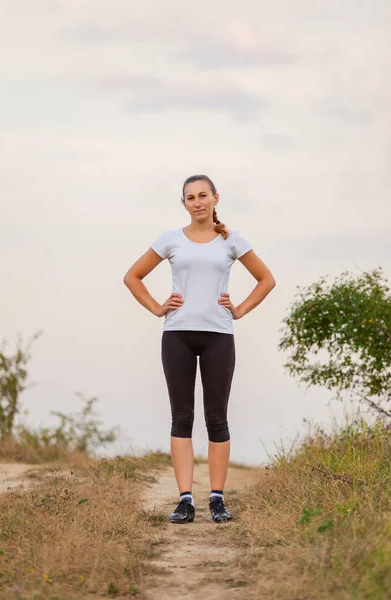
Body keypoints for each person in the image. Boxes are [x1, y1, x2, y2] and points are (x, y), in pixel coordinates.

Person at [123, 174, 276, 524]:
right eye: (190, 197)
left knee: (217, 418)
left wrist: (239, 310)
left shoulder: (232, 241)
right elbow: (133, 276)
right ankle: (186, 500)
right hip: (177, 334)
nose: (197, 202)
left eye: (203, 195)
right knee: (182, 417)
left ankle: (218, 500)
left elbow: (266, 279)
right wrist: (156, 307)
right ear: (184, 204)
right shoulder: (170, 239)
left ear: (215, 198)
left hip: (218, 336)